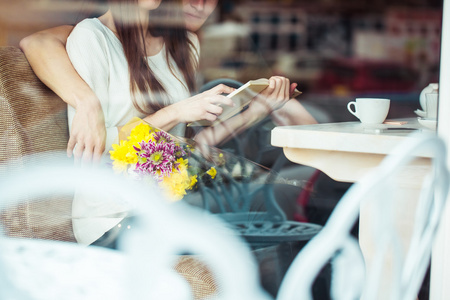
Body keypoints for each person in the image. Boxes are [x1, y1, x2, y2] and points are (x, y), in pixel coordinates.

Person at [20, 0, 316, 164]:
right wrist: (178, 111)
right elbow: (100, 148)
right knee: (280, 196)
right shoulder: (91, 37)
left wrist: (254, 112)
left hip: (173, 186)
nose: (200, 5)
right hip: (123, 205)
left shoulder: (185, 45)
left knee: (288, 189)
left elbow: (185, 147)